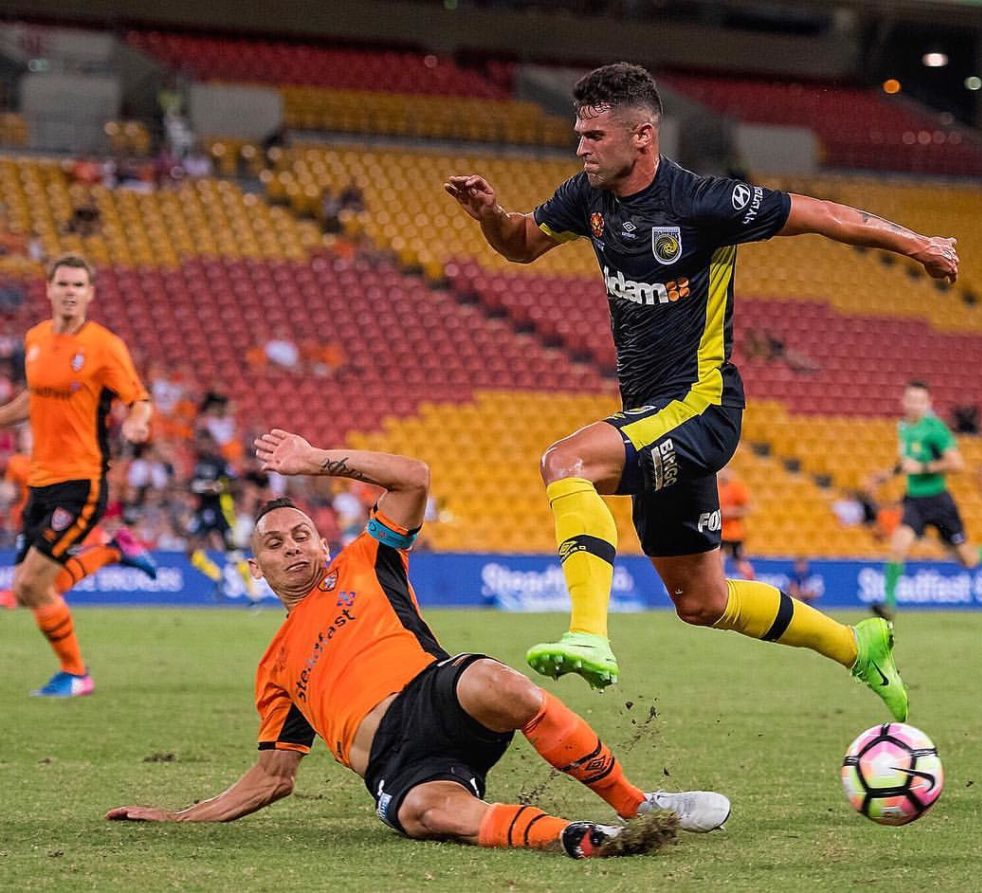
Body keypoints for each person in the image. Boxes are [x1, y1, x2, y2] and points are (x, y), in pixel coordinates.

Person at [445, 62, 961, 720]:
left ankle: (588, 632)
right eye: (579, 133)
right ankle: (857, 643)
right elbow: (520, 243)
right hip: (652, 414)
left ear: (642, 135)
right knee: (702, 601)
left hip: (702, 404)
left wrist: (918, 244)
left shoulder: (705, 203)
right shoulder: (586, 197)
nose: (581, 147)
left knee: (565, 461)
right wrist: (491, 216)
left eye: (594, 135)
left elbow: (824, 213)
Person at [106, 429, 730, 859]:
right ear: (256, 569)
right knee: (430, 816)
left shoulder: (365, 558)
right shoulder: (274, 668)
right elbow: (272, 777)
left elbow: (412, 478)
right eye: (274, 545)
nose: (292, 547)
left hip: (435, 695)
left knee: (500, 682)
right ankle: (579, 837)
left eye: (301, 536)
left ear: (322, 546)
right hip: (398, 766)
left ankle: (637, 803)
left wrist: (316, 458)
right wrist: (182, 816)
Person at [0, 254, 151, 696]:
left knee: (29, 583)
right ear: (47, 289)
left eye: (78, 285)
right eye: (62, 283)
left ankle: (77, 674)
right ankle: (110, 552)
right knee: (38, 587)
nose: (69, 291)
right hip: (41, 481)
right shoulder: (36, 340)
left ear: (90, 293)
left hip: (82, 480)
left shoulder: (104, 346)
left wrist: (138, 420)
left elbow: (137, 397)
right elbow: (35, 399)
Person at [873, 380, 982, 621]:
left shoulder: (936, 430)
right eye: (910, 399)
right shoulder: (903, 427)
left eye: (920, 401)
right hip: (914, 501)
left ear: (929, 403)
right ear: (903, 401)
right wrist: (886, 475)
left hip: (939, 502)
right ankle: (889, 607)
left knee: (968, 559)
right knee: (898, 547)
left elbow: (957, 464)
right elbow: (907, 463)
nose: (914, 405)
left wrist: (923, 467)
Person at [186, 429, 254, 600]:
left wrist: (217, 488)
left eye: (204, 442)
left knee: (233, 553)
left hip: (222, 511)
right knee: (191, 549)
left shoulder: (221, 463)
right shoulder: (198, 464)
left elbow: (237, 485)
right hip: (203, 511)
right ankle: (217, 576)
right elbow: (192, 485)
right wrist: (198, 488)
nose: (201, 446)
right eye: (199, 443)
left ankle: (253, 593)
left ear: (211, 444)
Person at [717, 464, 754, 581]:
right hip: (719, 532)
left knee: (740, 561)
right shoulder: (714, 488)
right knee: (718, 561)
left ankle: (752, 582)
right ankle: (717, 584)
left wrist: (729, 512)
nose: (723, 474)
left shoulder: (736, 488)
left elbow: (747, 508)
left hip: (734, 534)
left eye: (726, 471)